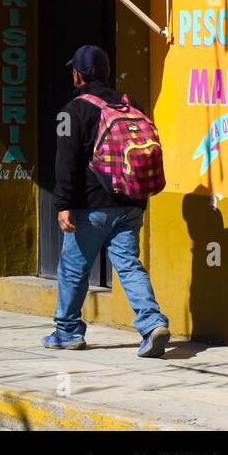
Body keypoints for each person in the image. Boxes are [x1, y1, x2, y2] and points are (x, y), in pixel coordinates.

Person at [42, 45, 171, 358]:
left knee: (73, 268)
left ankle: (68, 331)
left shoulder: (72, 110)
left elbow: (66, 162)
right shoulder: (131, 104)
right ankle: (152, 323)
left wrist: (62, 204)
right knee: (128, 265)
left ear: (78, 74)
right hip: (131, 202)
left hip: (91, 206)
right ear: (106, 71)